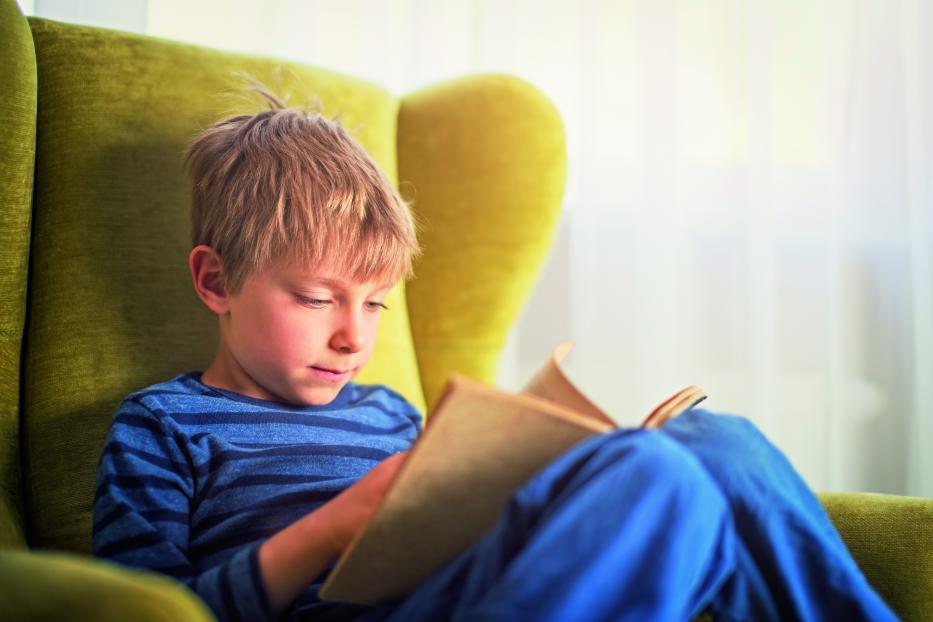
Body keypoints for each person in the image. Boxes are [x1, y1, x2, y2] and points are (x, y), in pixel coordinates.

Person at [93, 89, 897, 622]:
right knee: (658, 478)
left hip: (476, 593)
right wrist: (332, 528)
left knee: (717, 446)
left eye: (375, 303)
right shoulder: (163, 426)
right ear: (216, 280)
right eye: (316, 299)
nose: (354, 336)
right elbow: (150, 610)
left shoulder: (390, 414)